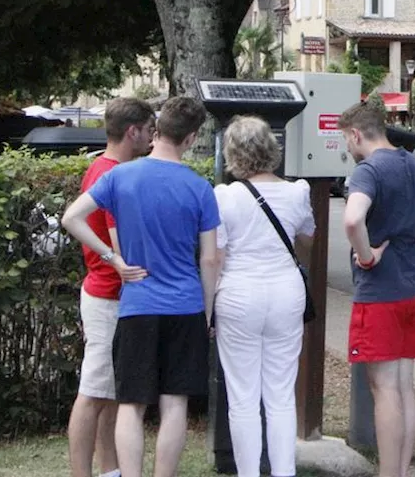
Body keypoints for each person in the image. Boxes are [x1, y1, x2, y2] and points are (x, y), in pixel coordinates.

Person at [61, 97, 221, 477]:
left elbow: (72, 217)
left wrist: (113, 259)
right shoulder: (200, 187)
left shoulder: (119, 176)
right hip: (184, 307)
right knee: (174, 404)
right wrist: (207, 312)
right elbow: (211, 259)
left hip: (136, 306)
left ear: (158, 130)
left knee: (130, 404)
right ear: (191, 137)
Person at [339, 101, 415, 477]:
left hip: (380, 294)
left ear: (356, 134)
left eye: (347, 141)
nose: (348, 148)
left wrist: (366, 256)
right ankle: (402, 470)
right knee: (403, 384)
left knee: (384, 389)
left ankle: (388, 472)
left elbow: (352, 219)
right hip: (413, 289)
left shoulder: (369, 170)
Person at [213, 116, 314, 477]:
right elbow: (306, 242)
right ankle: (284, 471)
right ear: (272, 149)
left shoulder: (224, 196)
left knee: (242, 396)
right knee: (280, 393)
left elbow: (216, 257)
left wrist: (207, 309)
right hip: (286, 292)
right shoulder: (297, 191)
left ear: (233, 153)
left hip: (239, 291)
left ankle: (249, 473)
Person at [67, 98, 155, 477]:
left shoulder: (110, 169)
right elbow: (82, 223)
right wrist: (113, 258)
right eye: (150, 129)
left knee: (112, 393)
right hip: (106, 297)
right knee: (92, 393)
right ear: (132, 131)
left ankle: (110, 471)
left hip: (115, 295)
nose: (154, 135)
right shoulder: (108, 174)